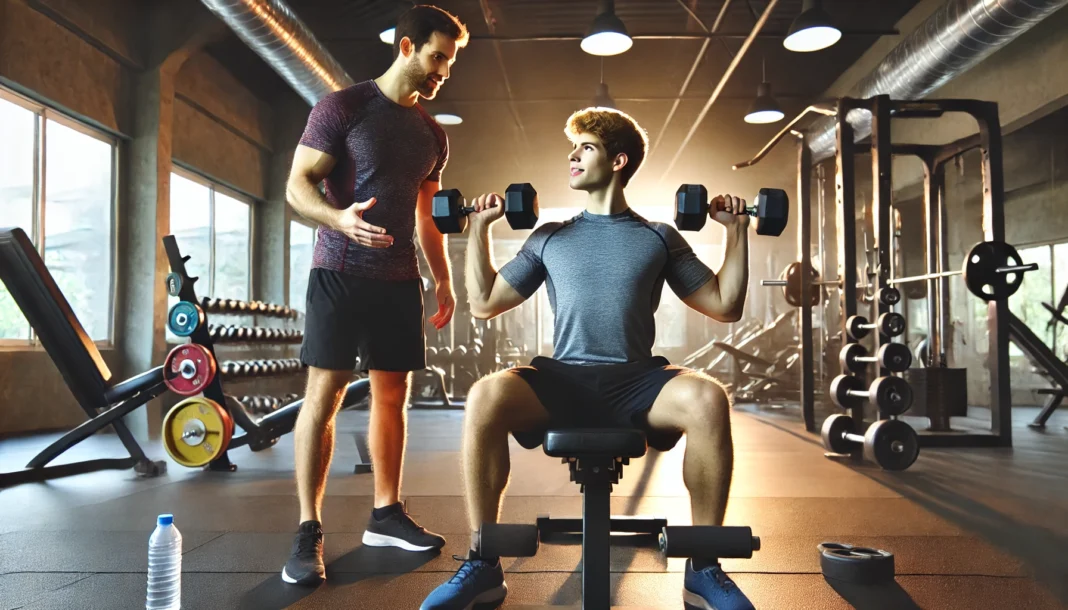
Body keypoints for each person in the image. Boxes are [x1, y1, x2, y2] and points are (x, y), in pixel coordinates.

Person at [421, 107, 755, 610]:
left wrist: (737, 231)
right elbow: (485, 302)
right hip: (564, 378)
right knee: (486, 393)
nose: (573, 156)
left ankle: (703, 568)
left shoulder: (659, 236)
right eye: (573, 148)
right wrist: (481, 229)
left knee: (708, 397)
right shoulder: (549, 236)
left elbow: (725, 306)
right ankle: (482, 563)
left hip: (637, 380)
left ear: (618, 161)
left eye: (587, 148)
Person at [281, 5, 469, 587]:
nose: (443, 71)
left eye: (450, 61)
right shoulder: (344, 107)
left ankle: (386, 514)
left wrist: (443, 276)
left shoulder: (432, 135)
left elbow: (427, 214)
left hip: (396, 277)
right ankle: (308, 530)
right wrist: (338, 221)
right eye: (437, 56)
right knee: (326, 390)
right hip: (339, 270)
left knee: (394, 393)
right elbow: (297, 186)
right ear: (407, 46)